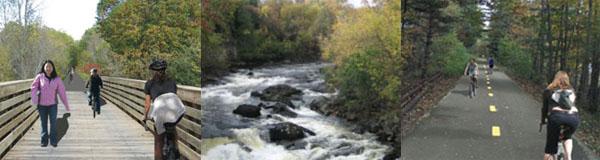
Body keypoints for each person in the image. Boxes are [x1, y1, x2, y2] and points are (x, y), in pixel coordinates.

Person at [142, 59, 185, 160]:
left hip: (160, 112)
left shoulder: (149, 84)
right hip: (176, 110)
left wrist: (145, 117)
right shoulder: (172, 82)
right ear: (164, 70)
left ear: (154, 71)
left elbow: (147, 104)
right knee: (173, 127)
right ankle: (176, 150)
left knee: (158, 140)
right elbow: (173, 98)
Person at [30, 60, 71, 147]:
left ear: (53, 68)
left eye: (50, 66)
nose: (48, 68)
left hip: (53, 105)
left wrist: (66, 105)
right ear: (44, 67)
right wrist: (34, 99)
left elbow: (62, 92)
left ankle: (53, 140)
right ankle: (44, 141)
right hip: (42, 105)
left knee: (53, 123)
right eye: (46, 66)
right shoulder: (39, 77)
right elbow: (33, 87)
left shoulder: (57, 79)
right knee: (43, 123)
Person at [541, 71, 580, 160]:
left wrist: (543, 120)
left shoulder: (548, 90)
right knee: (567, 137)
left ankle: (550, 155)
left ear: (555, 79)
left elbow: (544, 109)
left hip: (556, 118)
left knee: (549, 151)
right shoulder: (571, 91)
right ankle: (569, 157)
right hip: (574, 119)